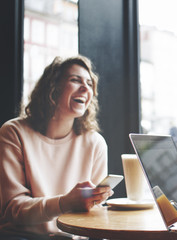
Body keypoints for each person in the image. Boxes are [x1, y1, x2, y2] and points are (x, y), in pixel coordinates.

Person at [0, 56, 113, 239]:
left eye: (90, 84)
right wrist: (64, 203)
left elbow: (93, 215)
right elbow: (13, 209)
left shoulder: (95, 143)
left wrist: (96, 202)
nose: (85, 88)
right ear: (52, 89)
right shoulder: (14, 133)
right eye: (75, 80)